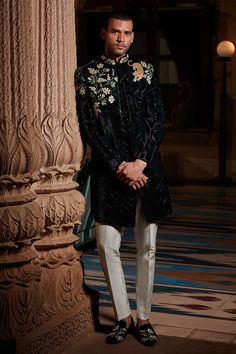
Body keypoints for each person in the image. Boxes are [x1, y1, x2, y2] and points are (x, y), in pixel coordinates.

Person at [75, 11, 172, 346]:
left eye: (127, 33)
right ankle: (122, 315)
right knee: (106, 245)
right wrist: (120, 166)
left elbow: (157, 119)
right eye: (115, 32)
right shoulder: (86, 75)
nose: (121, 38)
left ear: (133, 37)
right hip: (109, 172)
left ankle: (143, 317)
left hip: (146, 172)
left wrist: (140, 163)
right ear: (105, 33)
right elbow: (89, 126)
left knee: (148, 247)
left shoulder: (145, 71)